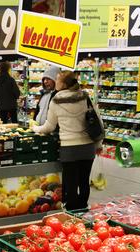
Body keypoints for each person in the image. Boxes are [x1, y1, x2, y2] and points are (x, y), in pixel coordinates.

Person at [32, 70, 102, 210]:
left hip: (69, 148)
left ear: (63, 83)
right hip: (87, 146)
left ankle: (71, 211)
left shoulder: (56, 100)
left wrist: (36, 128)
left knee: (70, 182)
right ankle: (83, 209)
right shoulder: (84, 96)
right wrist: (99, 143)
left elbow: (49, 127)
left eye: (57, 79)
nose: (55, 81)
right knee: (84, 181)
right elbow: (97, 120)